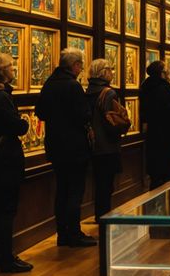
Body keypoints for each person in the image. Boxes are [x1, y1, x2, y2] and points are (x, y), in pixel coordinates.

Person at [35, 48, 95, 247]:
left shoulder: (50, 83)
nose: (81, 69)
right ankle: (73, 233)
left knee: (62, 190)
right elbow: (84, 115)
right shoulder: (72, 86)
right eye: (80, 65)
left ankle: (62, 232)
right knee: (75, 191)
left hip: (56, 145)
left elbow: (41, 112)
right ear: (75, 65)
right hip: (75, 146)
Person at [0, 53, 32, 272]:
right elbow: (16, 126)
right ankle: (5, 258)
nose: (14, 69)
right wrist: (22, 122)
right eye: (11, 66)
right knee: (6, 210)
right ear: (1, 71)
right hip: (4, 161)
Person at [86, 59, 122, 223]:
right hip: (108, 144)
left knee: (99, 183)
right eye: (110, 69)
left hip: (92, 144)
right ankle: (105, 218)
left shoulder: (87, 91)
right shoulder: (109, 93)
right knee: (106, 185)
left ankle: (100, 216)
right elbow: (112, 122)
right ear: (103, 72)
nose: (113, 72)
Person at [140, 60, 170, 190]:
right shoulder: (164, 87)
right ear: (161, 73)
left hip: (153, 129)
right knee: (165, 165)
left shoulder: (146, 85)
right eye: (165, 71)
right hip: (165, 130)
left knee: (154, 162)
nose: (167, 74)